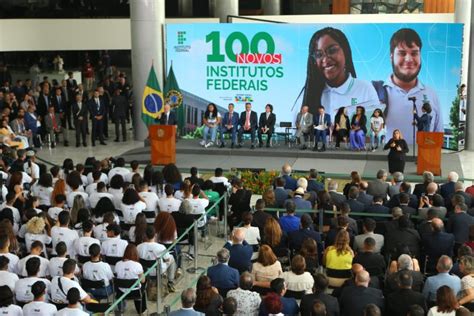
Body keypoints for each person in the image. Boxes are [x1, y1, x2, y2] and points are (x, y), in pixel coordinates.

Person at [301, 27, 379, 117]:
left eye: (332, 50)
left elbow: (376, 127)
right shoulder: (309, 94)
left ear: (345, 51)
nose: (325, 60)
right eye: (319, 54)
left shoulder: (364, 89)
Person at [384, 28, 443, 141]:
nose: (409, 59)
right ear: (391, 56)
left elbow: (438, 138)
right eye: (402, 53)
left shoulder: (431, 94)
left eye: (414, 53)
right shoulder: (376, 94)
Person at [114, 244, 146, 314]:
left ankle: (120, 309)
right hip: (135, 292)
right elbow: (143, 281)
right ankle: (141, 310)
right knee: (143, 284)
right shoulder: (137, 265)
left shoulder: (117, 264)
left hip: (121, 292)